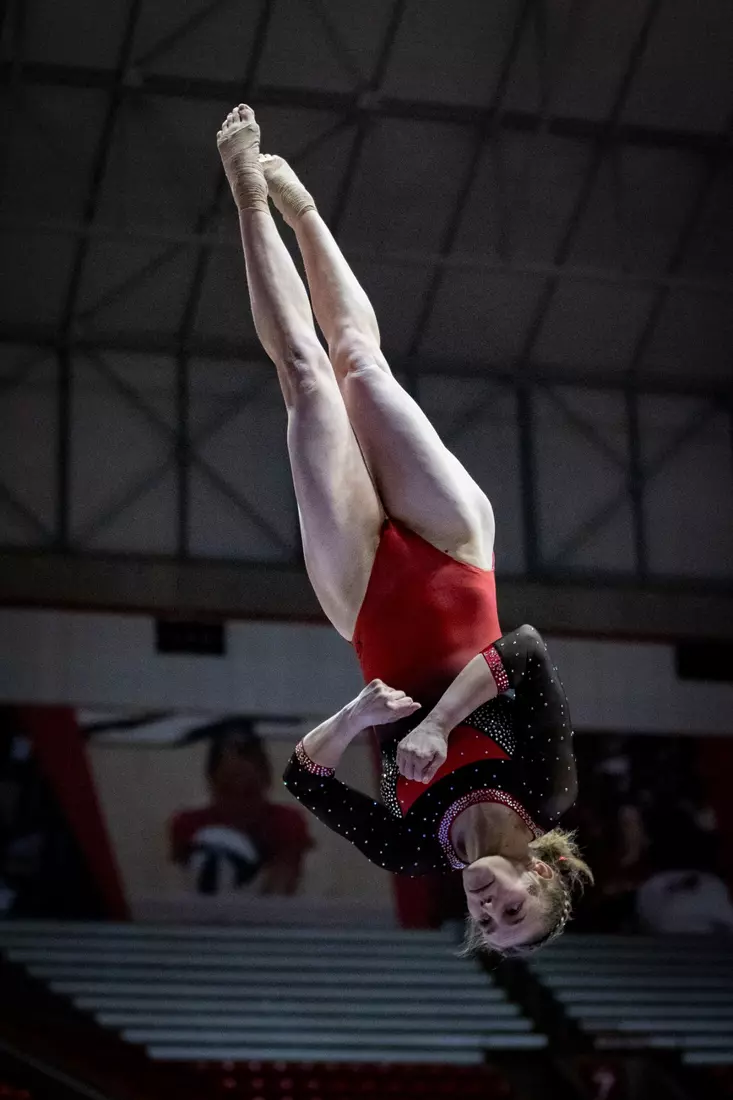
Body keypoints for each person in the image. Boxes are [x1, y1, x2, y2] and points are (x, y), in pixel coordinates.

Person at [216, 105, 592, 954]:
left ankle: (243, 190)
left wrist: (354, 721)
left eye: (482, 924)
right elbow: (524, 650)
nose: (486, 907)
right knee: (357, 363)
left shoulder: (408, 847)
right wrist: (430, 725)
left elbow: (301, 777)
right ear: (541, 874)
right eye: (511, 911)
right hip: (459, 560)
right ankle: (303, 210)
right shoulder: (547, 790)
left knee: (307, 385)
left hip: (362, 603)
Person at [170, 719, 312, 896]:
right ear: (211, 782)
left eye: (249, 791)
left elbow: (281, 889)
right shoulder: (189, 826)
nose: (238, 802)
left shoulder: (287, 823)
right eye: (227, 789)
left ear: (267, 780)